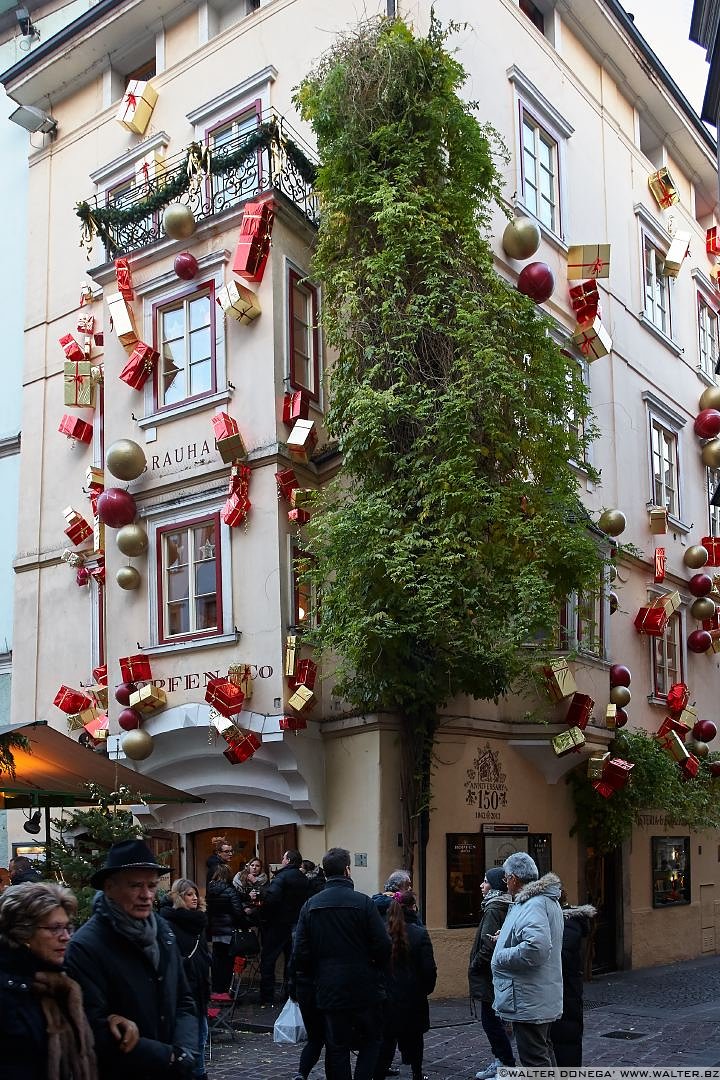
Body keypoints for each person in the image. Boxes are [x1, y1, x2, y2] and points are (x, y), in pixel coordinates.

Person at [65, 838, 198, 1079]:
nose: (146, 895)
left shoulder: (163, 931)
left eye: (152, 885)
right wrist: (165, 1055)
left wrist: (185, 1052)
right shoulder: (86, 946)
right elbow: (92, 1026)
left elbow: (184, 1000)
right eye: (136, 886)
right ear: (109, 888)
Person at [0, 880, 136, 1080]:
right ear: (23, 933)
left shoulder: (59, 984)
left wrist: (111, 1023)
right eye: (54, 928)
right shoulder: (10, 994)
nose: (65, 937)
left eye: (67, 928)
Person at [293, 846, 391, 1080]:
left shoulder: (311, 905)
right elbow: (383, 945)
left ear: (325, 872)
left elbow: (300, 953)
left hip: (329, 987)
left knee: (336, 1046)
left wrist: (314, 977)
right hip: (364, 985)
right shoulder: (363, 903)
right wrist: (375, 968)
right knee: (370, 1041)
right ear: (347, 870)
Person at [490, 852, 563, 1068]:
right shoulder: (538, 901)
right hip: (536, 994)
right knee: (543, 1050)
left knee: (534, 1057)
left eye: (506, 879)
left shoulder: (534, 903)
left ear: (513, 878)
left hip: (529, 996)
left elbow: (537, 948)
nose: (506, 883)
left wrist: (500, 955)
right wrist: (504, 938)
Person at [373, 890, 436, 1080]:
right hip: (412, 996)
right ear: (413, 908)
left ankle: (379, 1073)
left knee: (385, 1040)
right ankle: (417, 1073)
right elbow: (428, 969)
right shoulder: (419, 934)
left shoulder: (381, 932)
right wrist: (425, 989)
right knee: (415, 1038)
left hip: (385, 996)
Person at [161, 879, 212, 1080]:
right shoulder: (168, 922)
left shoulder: (199, 920)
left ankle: (199, 1073)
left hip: (199, 987)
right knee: (189, 1041)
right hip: (182, 989)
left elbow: (201, 952)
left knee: (202, 1037)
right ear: (179, 897)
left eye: (196, 894)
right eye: (189, 894)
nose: (195, 898)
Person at [468, 868, 515, 1080]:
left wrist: (475, 965)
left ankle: (505, 1064)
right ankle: (502, 1061)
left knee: (491, 1021)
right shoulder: (505, 905)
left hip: (490, 976)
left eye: (485, 882)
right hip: (498, 975)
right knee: (498, 1021)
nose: (481, 885)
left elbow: (488, 945)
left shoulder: (493, 908)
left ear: (495, 886)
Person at [259, 849, 311, 1006]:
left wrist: (264, 912)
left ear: (288, 860)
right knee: (291, 960)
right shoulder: (304, 879)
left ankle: (267, 996)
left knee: (268, 960)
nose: (282, 860)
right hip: (296, 924)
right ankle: (290, 994)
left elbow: (271, 899)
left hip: (277, 924)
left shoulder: (280, 878)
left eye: (283, 858)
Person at [549, 895, 597, 1066]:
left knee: (566, 1040)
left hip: (565, 994)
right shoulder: (567, 924)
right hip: (566, 993)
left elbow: (560, 960)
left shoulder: (566, 926)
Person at [206, 862, 248, 994]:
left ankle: (216, 988)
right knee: (228, 961)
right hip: (229, 930)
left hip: (215, 930)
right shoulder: (230, 890)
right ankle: (226, 990)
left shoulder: (210, 890)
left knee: (217, 959)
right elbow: (237, 911)